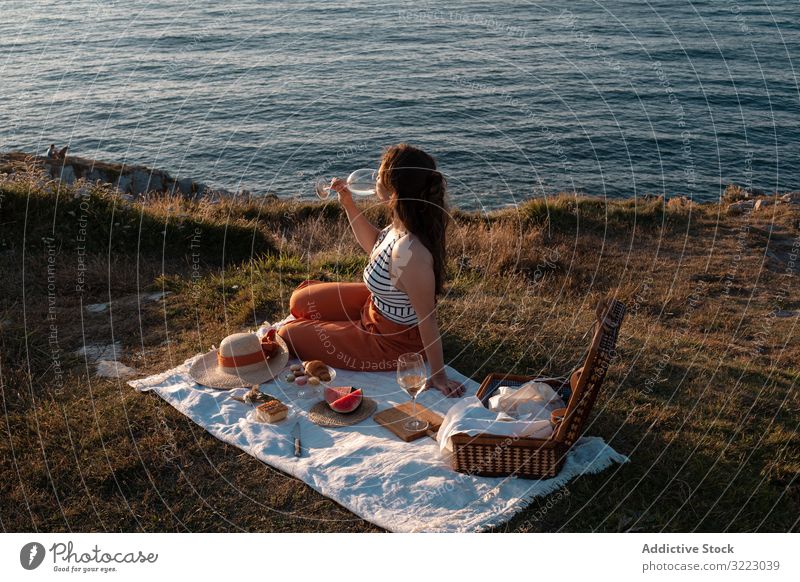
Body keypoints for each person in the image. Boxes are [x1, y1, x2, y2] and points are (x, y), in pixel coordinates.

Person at [277, 144, 465, 397]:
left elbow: (427, 319)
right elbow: (375, 245)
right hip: (375, 304)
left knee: (288, 333)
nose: (374, 176)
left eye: (379, 174)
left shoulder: (412, 254)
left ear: (393, 190)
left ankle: (352, 330)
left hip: (392, 339)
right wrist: (348, 203)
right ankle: (350, 323)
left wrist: (438, 374)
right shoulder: (402, 222)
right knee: (300, 300)